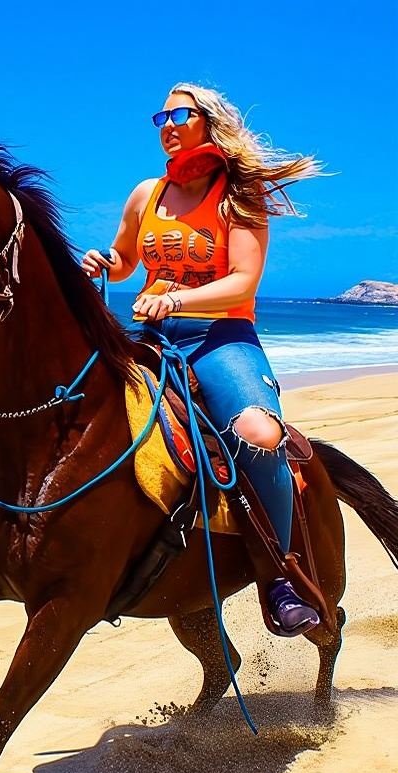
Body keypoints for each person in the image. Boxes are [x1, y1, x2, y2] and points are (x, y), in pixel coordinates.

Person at [80, 82, 324, 637]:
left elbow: (244, 279)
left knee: (260, 435)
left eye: (179, 114)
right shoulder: (148, 193)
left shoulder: (239, 193)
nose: (166, 124)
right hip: (153, 333)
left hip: (220, 337)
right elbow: (125, 261)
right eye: (159, 116)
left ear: (207, 122)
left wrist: (177, 298)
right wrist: (107, 260)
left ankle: (279, 576)